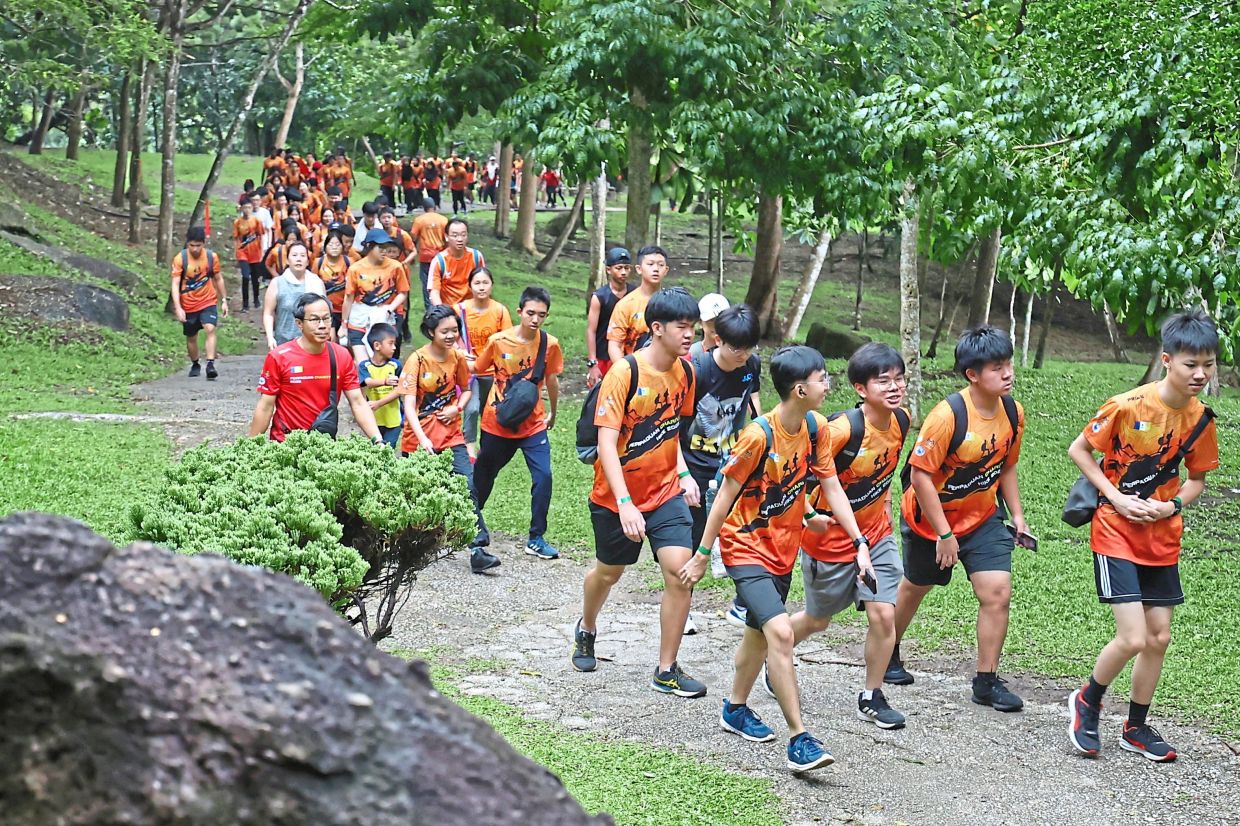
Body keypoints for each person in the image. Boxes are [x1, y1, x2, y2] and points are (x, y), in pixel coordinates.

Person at [680, 345, 871, 775]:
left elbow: (823, 484)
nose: (829, 384)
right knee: (781, 632)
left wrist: (847, 533)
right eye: (823, 378)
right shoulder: (756, 436)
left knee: (758, 637)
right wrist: (702, 555)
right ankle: (799, 739)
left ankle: (734, 708)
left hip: (784, 550)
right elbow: (724, 496)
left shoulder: (816, 428)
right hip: (744, 548)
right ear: (800, 388)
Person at [1065, 311, 1220, 763]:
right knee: (1132, 637)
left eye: (1208, 364)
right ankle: (1087, 701)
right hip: (1114, 530)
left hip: (1163, 537)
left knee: (1158, 638)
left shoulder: (1201, 420)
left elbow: (1196, 481)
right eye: (1191, 364)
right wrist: (1114, 495)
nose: (1201, 374)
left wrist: (1171, 506)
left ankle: (1136, 726)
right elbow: (1080, 449)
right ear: (1168, 360)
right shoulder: (1127, 404)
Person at [886, 325, 1029, 714]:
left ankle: (986, 681)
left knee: (997, 593)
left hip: (982, 518)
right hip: (929, 522)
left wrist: (1017, 516)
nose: (1007, 373)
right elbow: (919, 476)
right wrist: (944, 534)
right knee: (916, 587)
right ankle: (886, 651)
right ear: (972, 374)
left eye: (1008, 365)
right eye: (997, 367)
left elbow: (1007, 467)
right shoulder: (947, 417)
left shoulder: (1013, 413)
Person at [572, 287, 704, 694]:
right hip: (616, 499)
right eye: (682, 327)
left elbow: (670, 432)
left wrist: (683, 472)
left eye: (693, 327)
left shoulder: (686, 373)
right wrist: (626, 504)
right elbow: (607, 444)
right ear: (657, 328)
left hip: (664, 492)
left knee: (681, 576)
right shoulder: (624, 373)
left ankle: (666, 669)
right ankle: (587, 625)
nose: (689, 335)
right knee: (609, 573)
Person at [784, 343, 912, 730]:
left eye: (899, 379)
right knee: (818, 620)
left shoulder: (901, 421)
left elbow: (884, 474)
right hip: (829, 544)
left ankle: (871, 696)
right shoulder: (840, 431)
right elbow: (795, 480)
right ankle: (773, 648)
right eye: (883, 381)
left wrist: (885, 509)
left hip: (877, 536)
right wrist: (809, 516)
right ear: (860, 388)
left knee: (883, 614)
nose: (895, 387)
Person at [399, 305, 501, 574]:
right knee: (416, 495)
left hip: (451, 436)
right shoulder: (417, 360)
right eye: (444, 331)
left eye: (454, 330)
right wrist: (422, 440)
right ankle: (406, 547)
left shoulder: (457, 358)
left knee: (468, 486)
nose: (451, 335)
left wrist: (456, 408)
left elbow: (466, 390)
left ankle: (477, 549)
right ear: (431, 332)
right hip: (418, 440)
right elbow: (409, 406)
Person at [680, 303, 763, 627]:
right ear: (716, 338)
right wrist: (682, 473)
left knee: (748, 531)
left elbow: (751, 398)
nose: (742, 354)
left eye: (749, 348)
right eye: (735, 348)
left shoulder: (751, 364)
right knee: (695, 538)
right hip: (695, 465)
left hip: (733, 463)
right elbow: (673, 425)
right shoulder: (696, 369)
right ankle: (682, 607)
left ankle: (742, 605)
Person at [472, 286, 563, 560]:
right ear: (520, 311)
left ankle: (536, 537)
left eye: (542, 315)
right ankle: (470, 526)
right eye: (531, 313)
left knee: (544, 476)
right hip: (497, 423)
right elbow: (479, 368)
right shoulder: (498, 340)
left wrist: (553, 413)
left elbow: (552, 380)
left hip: (533, 423)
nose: (535, 320)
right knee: (484, 477)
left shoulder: (550, 344)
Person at [249, 293, 384, 444]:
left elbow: (358, 402)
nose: (322, 325)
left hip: (324, 444)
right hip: (285, 443)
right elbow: (265, 406)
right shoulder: (279, 357)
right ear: (299, 323)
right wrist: (252, 447)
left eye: (326, 318)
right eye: (314, 319)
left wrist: (378, 440)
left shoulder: (341, 355)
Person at [456, 266, 513, 456]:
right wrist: (460, 351)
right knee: (471, 409)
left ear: (492, 285)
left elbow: (507, 341)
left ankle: (487, 448)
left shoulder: (500, 311)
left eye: (485, 283)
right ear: (470, 286)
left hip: (492, 372)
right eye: (477, 283)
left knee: (489, 412)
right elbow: (448, 336)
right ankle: (469, 448)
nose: (481, 287)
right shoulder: (460, 309)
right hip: (468, 372)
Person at [339, 229, 409, 362]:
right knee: (363, 364)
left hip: (384, 317)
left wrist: (389, 309)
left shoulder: (396, 267)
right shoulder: (355, 269)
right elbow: (349, 298)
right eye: (380, 248)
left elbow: (403, 292)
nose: (384, 251)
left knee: (382, 362)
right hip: (359, 318)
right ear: (370, 246)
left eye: (386, 247)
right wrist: (344, 325)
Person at [170, 226, 227, 380]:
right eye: (191, 245)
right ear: (187, 244)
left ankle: (210, 364)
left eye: (198, 245)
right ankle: (195, 363)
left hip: (208, 300)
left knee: (210, 329)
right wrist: (178, 307)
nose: (195, 249)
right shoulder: (180, 259)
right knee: (191, 337)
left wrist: (224, 300)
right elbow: (175, 284)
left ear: (204, 243)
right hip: (188, 303)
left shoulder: (211, 257)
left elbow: (218, 278)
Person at [606, 245, 668, 364]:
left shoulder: (671, 302)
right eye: (650, 264)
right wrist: (626, 371)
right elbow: (615, 345)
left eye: (660, 265)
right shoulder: (626, 305)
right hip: (635, 367)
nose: (656, 269)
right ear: (639, 269)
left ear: (666, 270)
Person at [263, 241, 326, 349]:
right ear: (287, 260)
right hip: (284, 342)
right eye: (294, 255)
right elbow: (268, 313)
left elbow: (325, 313)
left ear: (307, 261)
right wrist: (270, 337)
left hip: (312, 342)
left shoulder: (316, 283)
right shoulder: (277, 283)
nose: (298, 259)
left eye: (302, 256)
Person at [585, 247, 631, 389]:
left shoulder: (634, 294)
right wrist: (593, 363)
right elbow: (591, 330)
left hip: (629, 355)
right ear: (609, 270)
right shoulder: (600, 297)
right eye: (619, 268)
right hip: (603, 356)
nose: (623, 272)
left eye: (626, 268)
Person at [358, 323, 404, 449]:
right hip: (373, 419)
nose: (394, 347)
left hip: (393, 419)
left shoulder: (396, 365)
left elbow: (399, 390)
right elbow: (366, 382)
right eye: (391, 343)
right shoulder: (364, 366)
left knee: (389, 449)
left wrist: (379, 403)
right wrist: (385, 382)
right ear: (377, 345)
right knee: (374, 449)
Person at [428, 217, 485, 307]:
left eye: (463, 235)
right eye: (455, 235)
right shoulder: (439, 261)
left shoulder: (476, 256)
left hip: (472, 309)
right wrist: (442, 312)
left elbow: (484, 283)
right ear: (446, 237)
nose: (460, 239)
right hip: (449, 309)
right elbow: (434, 291)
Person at [410, 197, 448, 308]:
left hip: (426, 256)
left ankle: (430, 309)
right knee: (441, 281)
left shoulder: (419, 220)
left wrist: (412, 253)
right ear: (435, 207)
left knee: (427, 283)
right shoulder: (443, 220)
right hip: (440, 256)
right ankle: (442, 305)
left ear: (424, 208)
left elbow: (413, 237)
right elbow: (447, 239)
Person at [312, 230, 351, 336]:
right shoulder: (318, 262)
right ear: (325, 247)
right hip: (326, 309)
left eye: (337, 244)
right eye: (331, 244)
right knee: (330, 338)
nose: (334, 247)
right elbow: (313, 284)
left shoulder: (349, 262)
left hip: (345, 310)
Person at [233, 198, 265, 313]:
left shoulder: (257, 221)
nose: (247, 210)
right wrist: (237, 251)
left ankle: (256, 299)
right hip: (243, 253)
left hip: (255, 253)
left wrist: (262, 251)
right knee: (246, 277)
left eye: (249, 208)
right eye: (245, 208)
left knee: (255, 278)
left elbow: (261, 235)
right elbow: (236, 238)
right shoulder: (238, 222)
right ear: (241, 208)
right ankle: (245, 304)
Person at [689, 293, 731, 360]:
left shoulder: (738, 353)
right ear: (700, 322)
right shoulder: (692, 354)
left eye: (721, 319)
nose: (717, 324)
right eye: (711, 320)